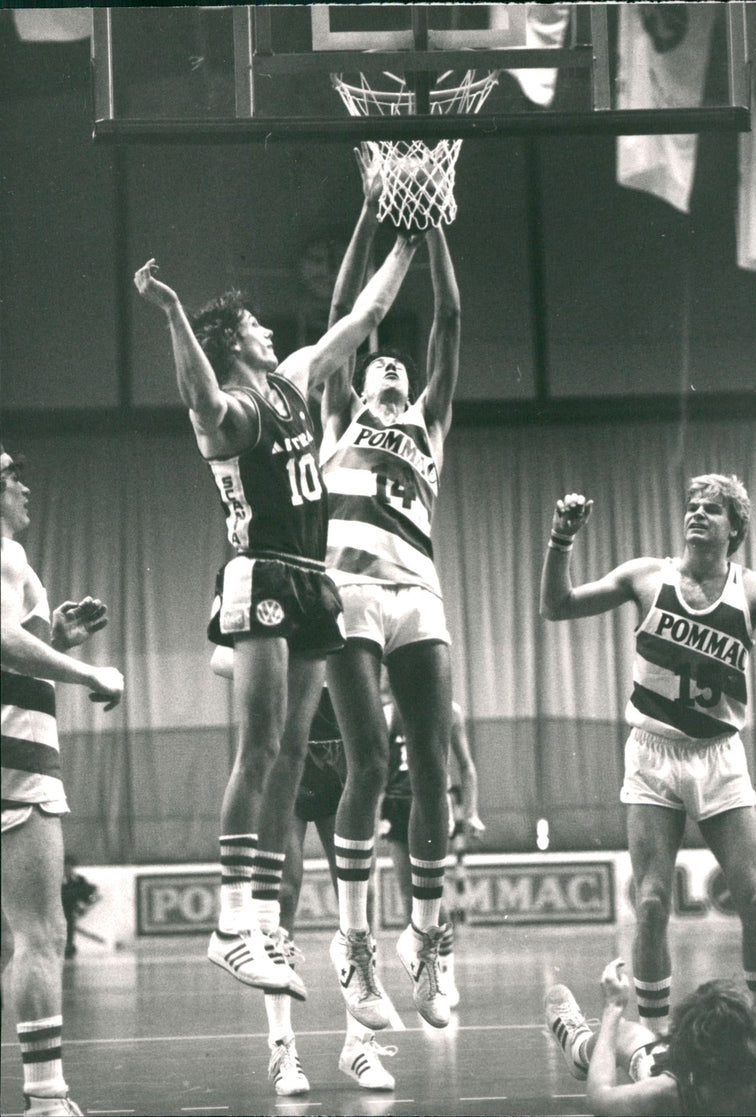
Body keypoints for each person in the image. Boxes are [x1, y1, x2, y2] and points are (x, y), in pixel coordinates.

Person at [134, 217, 418, 999]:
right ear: (233, 343)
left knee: (292, 756)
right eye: (255, 324)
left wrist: (405, 249)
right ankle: (230, 925)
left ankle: (260, 918)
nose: (269, 329)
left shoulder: (292, 378)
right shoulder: (230, 408)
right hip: (257, 573)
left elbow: (358, 322)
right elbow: (195, 392)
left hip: (310, 578)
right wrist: (174, 314)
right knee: (258, 747)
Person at [539, 476, 756, 1034]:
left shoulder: (753, 591)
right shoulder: (647, 576)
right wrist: (560, 542)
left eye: (712, 510)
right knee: (652, 904)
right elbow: (556, 607)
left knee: (755, 902)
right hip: (654, 755)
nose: (697, 514)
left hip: (719, 755)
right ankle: (653, 1035)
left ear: (736, 528)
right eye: (692, 506)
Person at [320, 148, 462, 1030]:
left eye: (399, 369)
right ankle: (354, 945)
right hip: (349, 591)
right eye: (380, 366)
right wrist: (376, 209)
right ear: (360, 378)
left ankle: (428, 939)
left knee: (433, 768)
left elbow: (449, 315)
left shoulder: (429, 423)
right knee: (370, 761)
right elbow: (343, 314)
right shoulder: (338, 416)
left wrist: (434, 211)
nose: (392, 370)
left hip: (418, 592)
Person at [210, 646, 396, 1097]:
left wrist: (346, 674)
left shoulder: (351, 595)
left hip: (342, 759)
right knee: (280, 897)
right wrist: (288, 669)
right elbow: (220, 659)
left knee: (359, 901)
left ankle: (360, 1044)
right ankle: (281, 1046)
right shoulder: (284, 591)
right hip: (285, 756)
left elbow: (385, 675)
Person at [1, 446, 124, 1117]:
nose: (25, 486)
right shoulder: (5, 554)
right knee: (40, 934)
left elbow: (17, 642)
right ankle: (48, 1100)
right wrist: (90, 674)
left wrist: (55, 635)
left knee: (8, 939)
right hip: (17, 758)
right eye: (13, 476)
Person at [544, 958, 756, 1116]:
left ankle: (578, 1051)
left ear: (683, 1048)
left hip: (688, 1093)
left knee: (624, 1032)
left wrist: (614, 1007)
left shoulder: (665, 1092)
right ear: (753, 1044)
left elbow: (600, 1097)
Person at [381, 695, 485, 1008]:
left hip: (431, 802)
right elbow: (375, 768)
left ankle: (446, 976)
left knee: (431, 895)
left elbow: (466, 767)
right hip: (397, 804)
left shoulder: (449, 711)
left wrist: (472, 812)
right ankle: (426, 974)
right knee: (406, 897)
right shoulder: (389, 713)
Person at [61, 856, 99, 959]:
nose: (67, 869)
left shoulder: (79, 880)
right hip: (59, 909)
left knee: (69, 923)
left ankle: (69, 945)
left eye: (69, 867)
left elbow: (88, 893)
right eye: (65, 867)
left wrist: (85, 902)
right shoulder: (57, 880)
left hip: (70, 909)